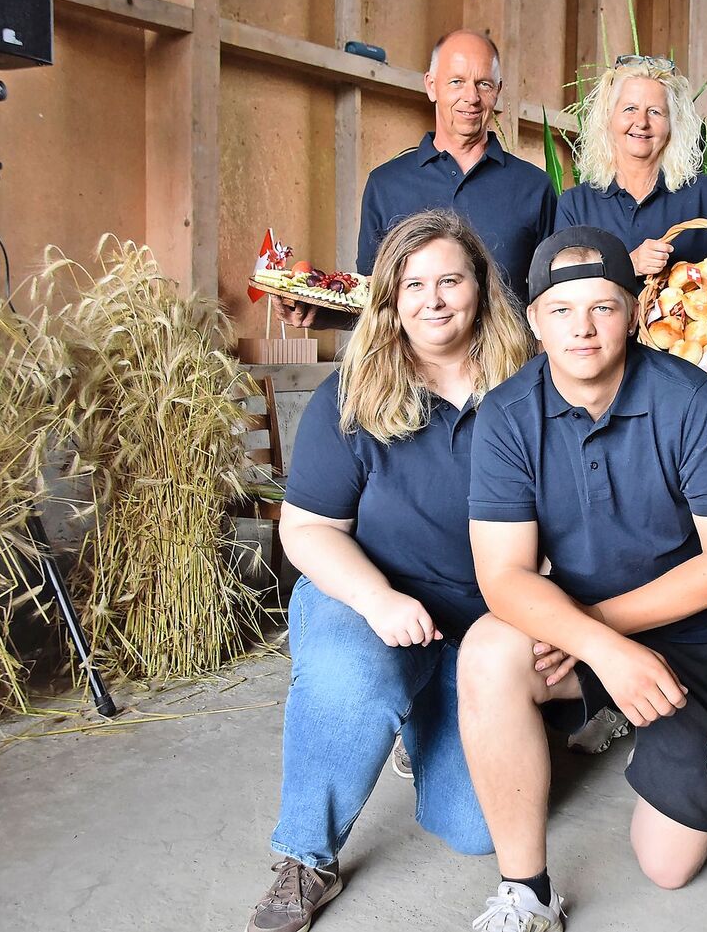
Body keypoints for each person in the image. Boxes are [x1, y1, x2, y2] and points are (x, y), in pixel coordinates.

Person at [460, 226, 707, 930]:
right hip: (591, 638)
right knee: (488, 650)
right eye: (562, 310)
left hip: (701, 639)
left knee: (666, 864)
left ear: (634, 313)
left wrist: (599, 632)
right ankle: (526, 893)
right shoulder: (507, 414)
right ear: (535, 322)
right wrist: (602, 649)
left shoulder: (689, 398)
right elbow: (503, 577)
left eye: (603, 306)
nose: (583, 328)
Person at [246, 211, 532, 932]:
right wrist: (377, 599)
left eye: (451, 280)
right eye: (414, 285)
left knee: (477, 829)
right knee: (353, 676)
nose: (434, 300)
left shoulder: (530, 387)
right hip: (370, 604)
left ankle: (421, 713)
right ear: (391, 300)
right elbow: (307, 530)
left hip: (482, 627)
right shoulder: (354, 393)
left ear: (481, 288)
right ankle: (307, 857)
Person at [271, 29, 555, 330]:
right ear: (431, 86)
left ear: (497, 90)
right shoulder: (386, 185)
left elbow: (554, 301)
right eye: (456, 82)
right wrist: (321, 315)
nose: (471, 97)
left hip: (507, 360)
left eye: (483, 84)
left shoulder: (535, 188)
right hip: (409, 362)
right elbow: (373, 300)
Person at [557, 54, 707, 340]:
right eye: (629, 109)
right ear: (608, 118)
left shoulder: (704, 196)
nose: (641, 122)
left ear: (673, 125)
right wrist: (627, 264)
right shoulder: (576, 205)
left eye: (655, 112)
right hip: (598, 362)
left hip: (687, 365)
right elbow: (560, 293)